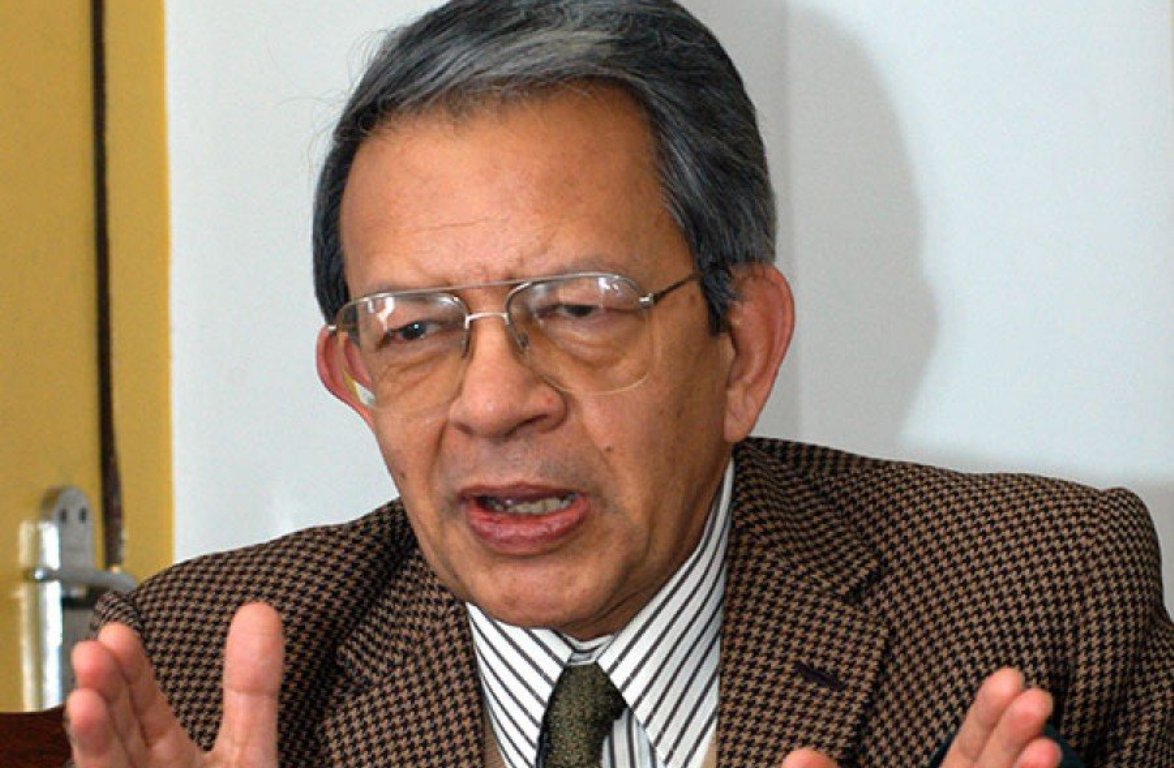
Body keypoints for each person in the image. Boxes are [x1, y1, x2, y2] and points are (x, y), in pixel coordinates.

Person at [65, 1, 1171, 767]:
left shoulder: (1034, 604)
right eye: (417, 330)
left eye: (578, 309)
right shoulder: (192, 673)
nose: (493, 403)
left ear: (741, 347)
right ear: (353, 373)